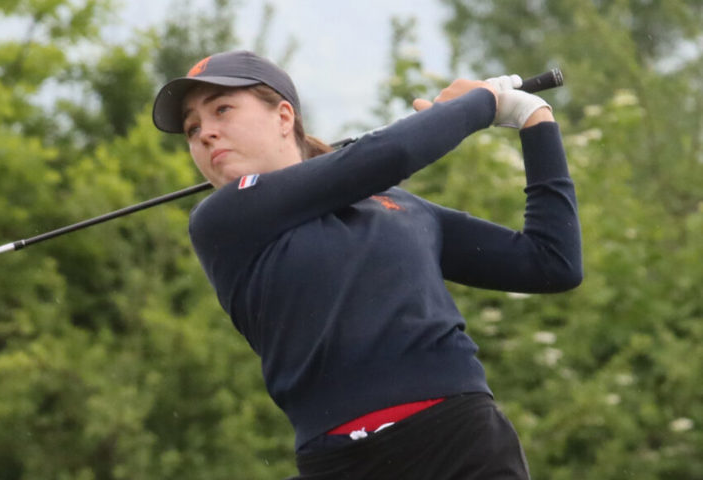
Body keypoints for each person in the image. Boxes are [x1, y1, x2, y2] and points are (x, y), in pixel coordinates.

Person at [152, 50, 582, 479]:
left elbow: (551, 262)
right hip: (343, 464)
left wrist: (534, 118)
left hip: (462, 444)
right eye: (193, 128)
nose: (205, 133)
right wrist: (483, 101)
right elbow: (387, 155)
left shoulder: (396, 204)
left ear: (284, 117)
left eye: (222, 110)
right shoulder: (222, 219)